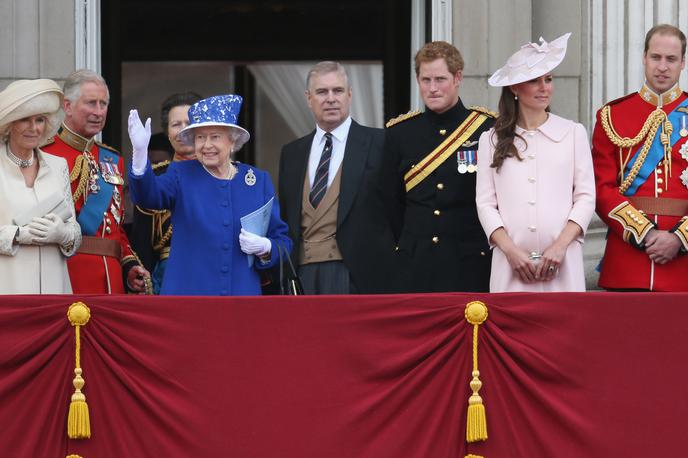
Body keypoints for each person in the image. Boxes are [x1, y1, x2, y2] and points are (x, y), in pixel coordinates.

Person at [127, 94, 292, 296]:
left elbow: (282, 242)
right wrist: (140, 155)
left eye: (215, 137)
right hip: (188, 299)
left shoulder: (257, 181)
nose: (206, 145)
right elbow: (148, 196)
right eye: (200, 137)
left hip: (242, 300)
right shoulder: (181, 174)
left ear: (232, 141)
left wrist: (266, 248)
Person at [476, 33, 596, 292]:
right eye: (534, 80)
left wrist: (560, 246)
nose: (544, 87)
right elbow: (485, 203)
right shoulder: (491, 139)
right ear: (514, 87)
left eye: (549, 79)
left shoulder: (573, 133)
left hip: (563, 264)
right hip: (510, 266)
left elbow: (586, 197)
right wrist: (510, 251)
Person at [382, 41, 496, 293]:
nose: (432, 88)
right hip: (417, 264)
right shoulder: (400, 133)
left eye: (440, 79)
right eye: (425, 80)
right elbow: (391, 203)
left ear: (457, 78)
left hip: (470, 261)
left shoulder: (487, 129)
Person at [278, 61, 396, 294]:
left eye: (338, 90)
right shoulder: (292, 152)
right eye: (322, 92)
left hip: (359, 274)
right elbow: (287, 218)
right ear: (308, 98)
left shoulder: (380, 143)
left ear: (350, 94)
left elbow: (395, 211)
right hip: (302, 274)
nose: (330, 98)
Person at [592, 24, 688, 291]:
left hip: (684, 266)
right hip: (628, 261)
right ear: (644, 58)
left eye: (671, 59)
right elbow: (601, 188)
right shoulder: (612, 116)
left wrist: (679, 238)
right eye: (656, 57)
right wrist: (644, 233)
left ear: (682, 63)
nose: (662, 67)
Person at [0, 79, 82, 293]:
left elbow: (74, 230)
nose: (34, 128)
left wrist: (62, 234)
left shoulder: (58, 165)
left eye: (40, 120)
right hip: (8, 289)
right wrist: (19, 235)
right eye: (25, 120)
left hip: (55, 288)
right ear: (10, 124)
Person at [129, 92, 201, 294]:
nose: (183, 130)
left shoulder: (222, 173)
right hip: (166, 278)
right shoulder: (155, 176)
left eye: (190, 122)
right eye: (176, 124)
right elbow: (141, 238)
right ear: (168, 132)